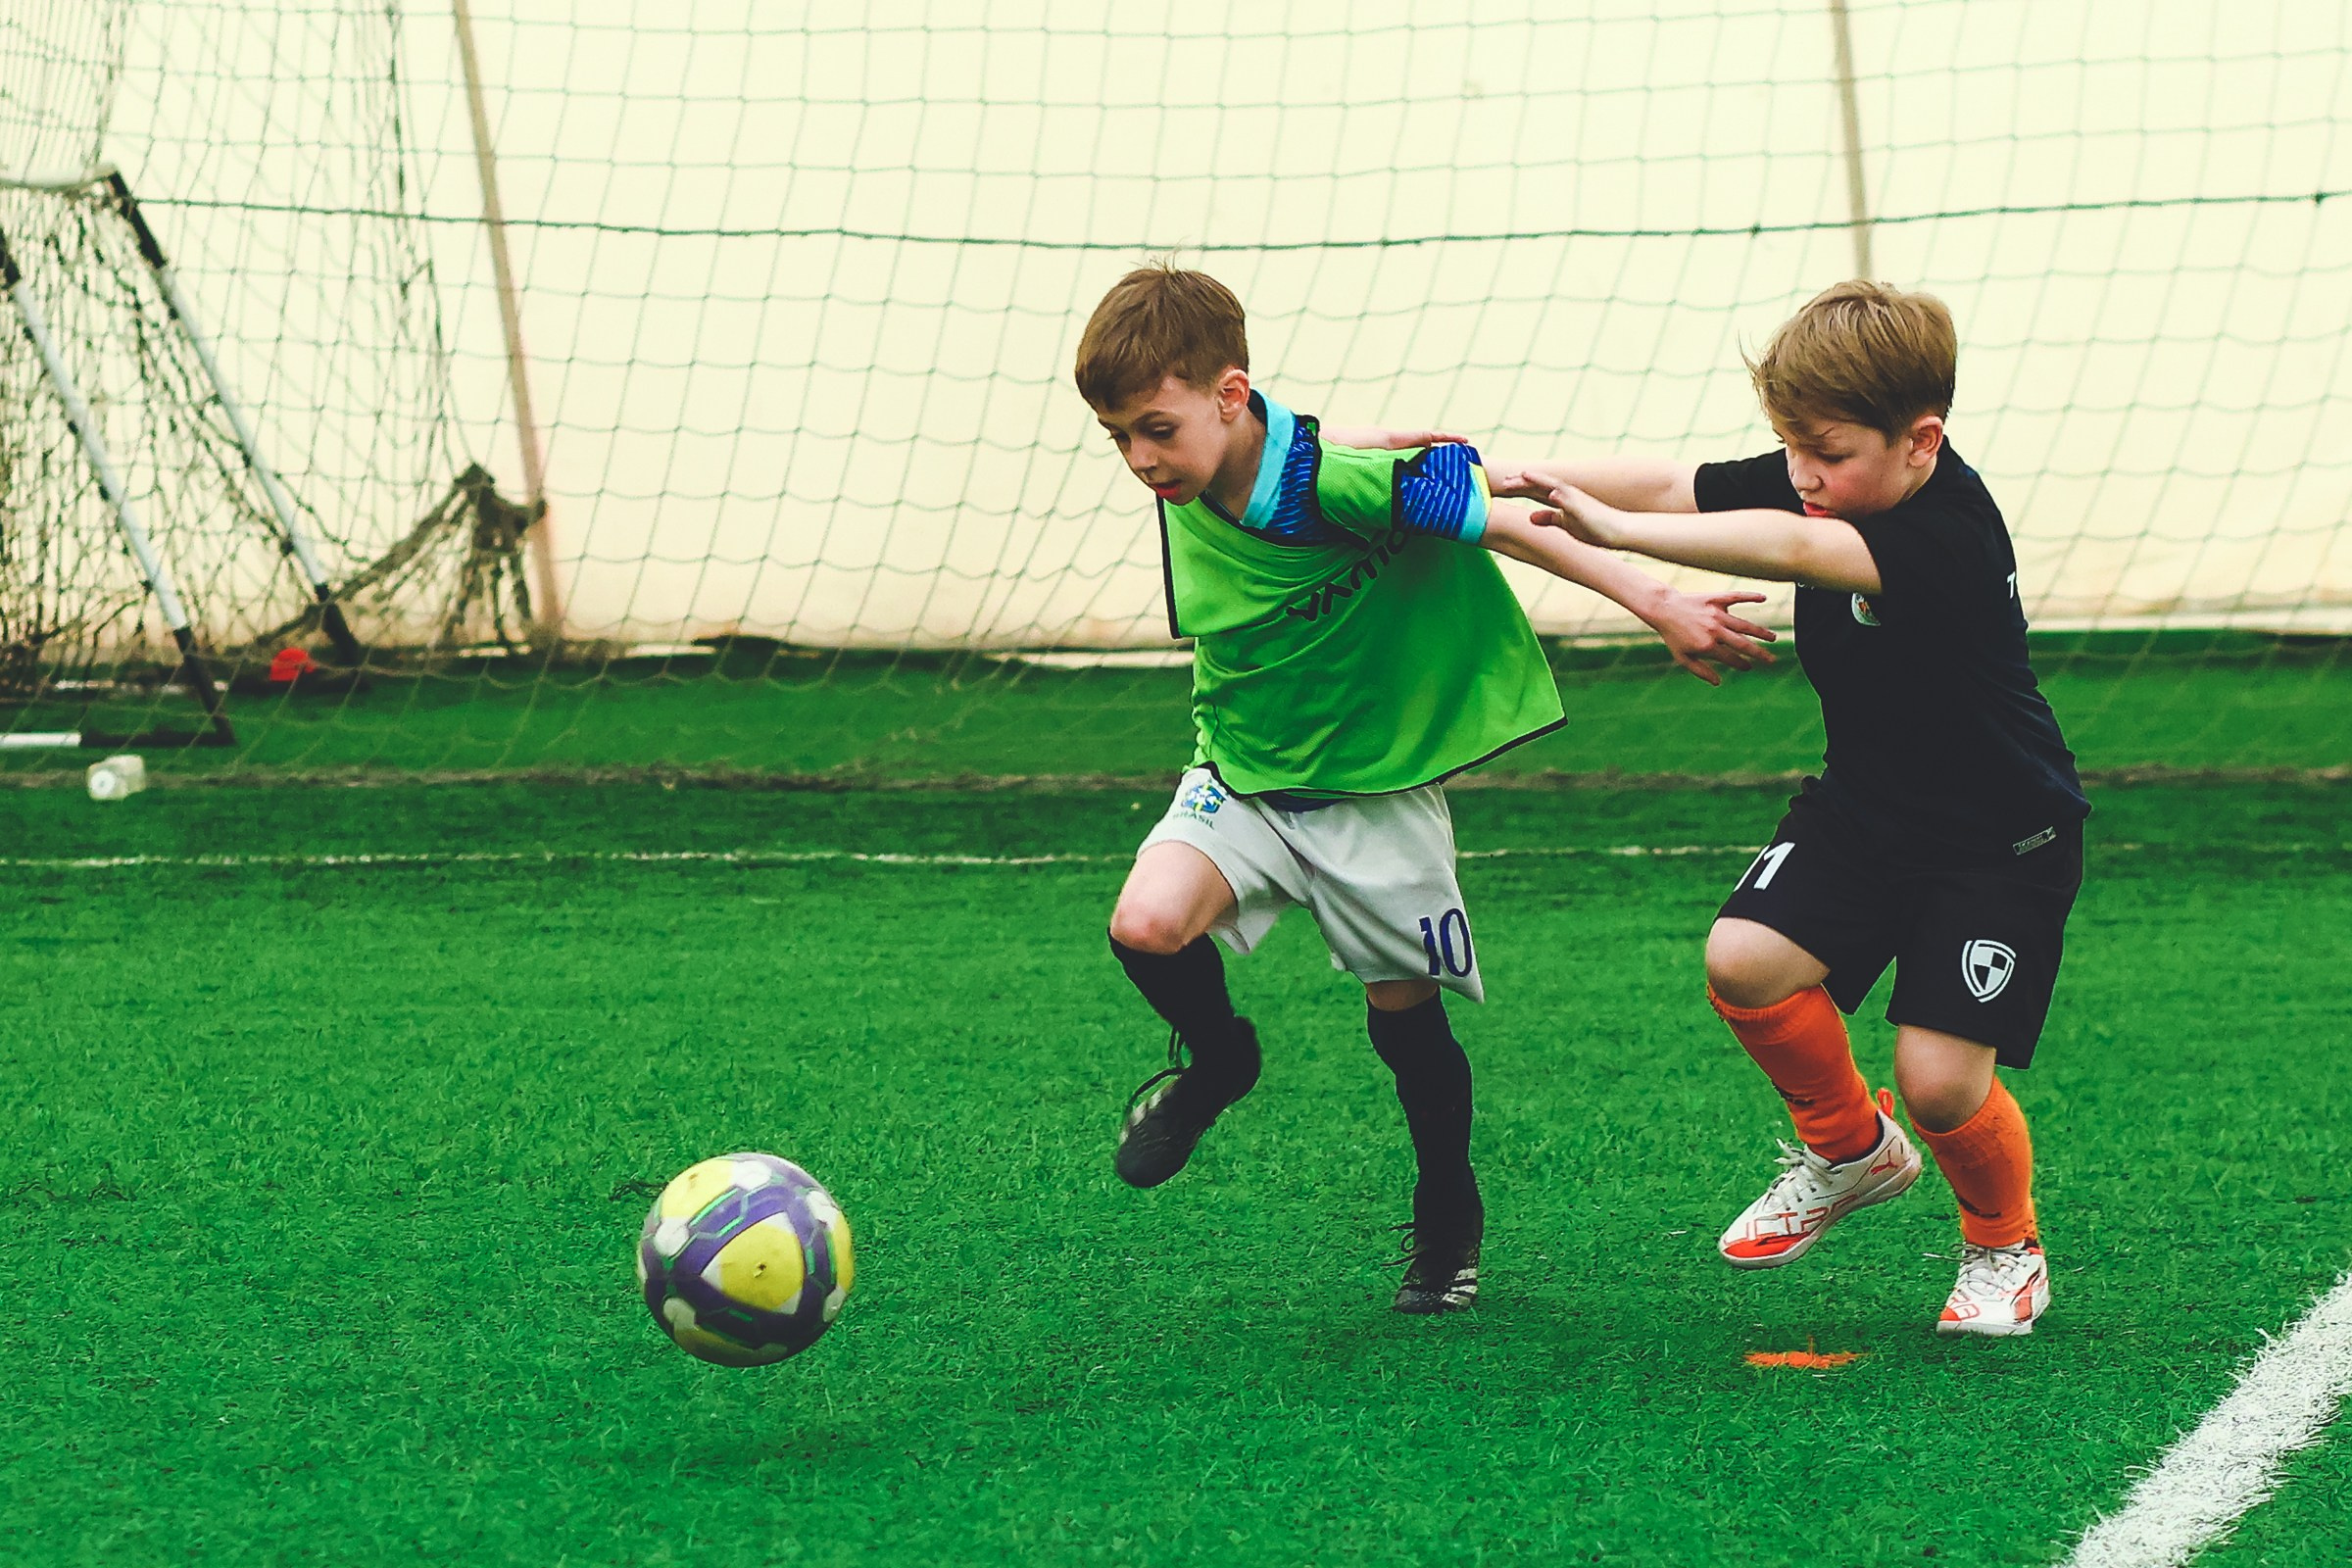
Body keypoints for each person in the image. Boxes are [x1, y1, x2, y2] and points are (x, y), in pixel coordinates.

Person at [1074, 263, 1775, 1312]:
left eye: (1155, 429)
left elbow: (1508, 518)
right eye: (1118, 436)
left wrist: (1658, 599)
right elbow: (1292, 444)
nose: (1139, 460)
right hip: (1245, 769)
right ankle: (1220, 1063)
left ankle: (1448, 1209)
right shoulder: (1221, 456)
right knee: (1144, 924)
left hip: (1374, 788)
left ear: (1227, 395)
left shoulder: (1337, 483)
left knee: (1404, 1024)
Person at [1493, 280, 2086, 1335]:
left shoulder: (1946, 533)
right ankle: (1852, 1150)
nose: (1804, 477)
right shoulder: (1837, 475)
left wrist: (1612, 533)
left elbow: (1797, 551)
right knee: (1744, 959)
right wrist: (1499, 471)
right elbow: (1683, 481)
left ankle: (2005, 1246)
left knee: (1942, 1083)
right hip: (1867, 811)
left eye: (1826, 453)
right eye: (1791, 449)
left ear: (1921, 440)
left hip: (1999, 841)